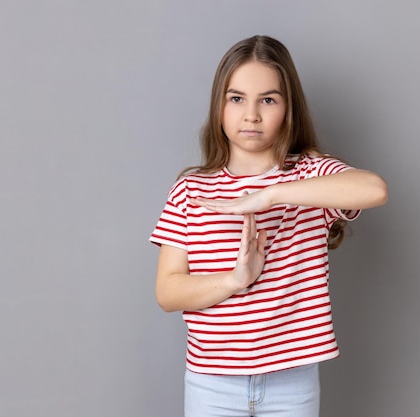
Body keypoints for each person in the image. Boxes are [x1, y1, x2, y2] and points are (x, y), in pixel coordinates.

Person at [150, 35, 388, 417]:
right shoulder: (191, 190)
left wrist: (272, 194)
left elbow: (374, 188)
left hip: (292, 383)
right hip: (212, 382)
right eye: (237, 98)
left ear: (288, 107)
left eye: (269, 99)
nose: (252, 115)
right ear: (219, 105)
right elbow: (168, 292)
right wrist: (235, 280)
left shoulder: (310, 176)